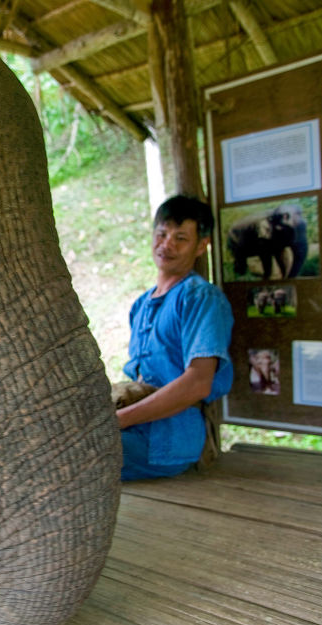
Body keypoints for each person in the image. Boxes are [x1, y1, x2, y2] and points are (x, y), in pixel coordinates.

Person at [117, 195, 234, 481]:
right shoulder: (141, 304)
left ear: (201, 246)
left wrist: (117, 421)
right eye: (162, 233)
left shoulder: (201, 298)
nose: (166, 244)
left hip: (168, 441)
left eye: (180, 237)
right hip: (133, 428)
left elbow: (197, 383)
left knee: (64, 453)